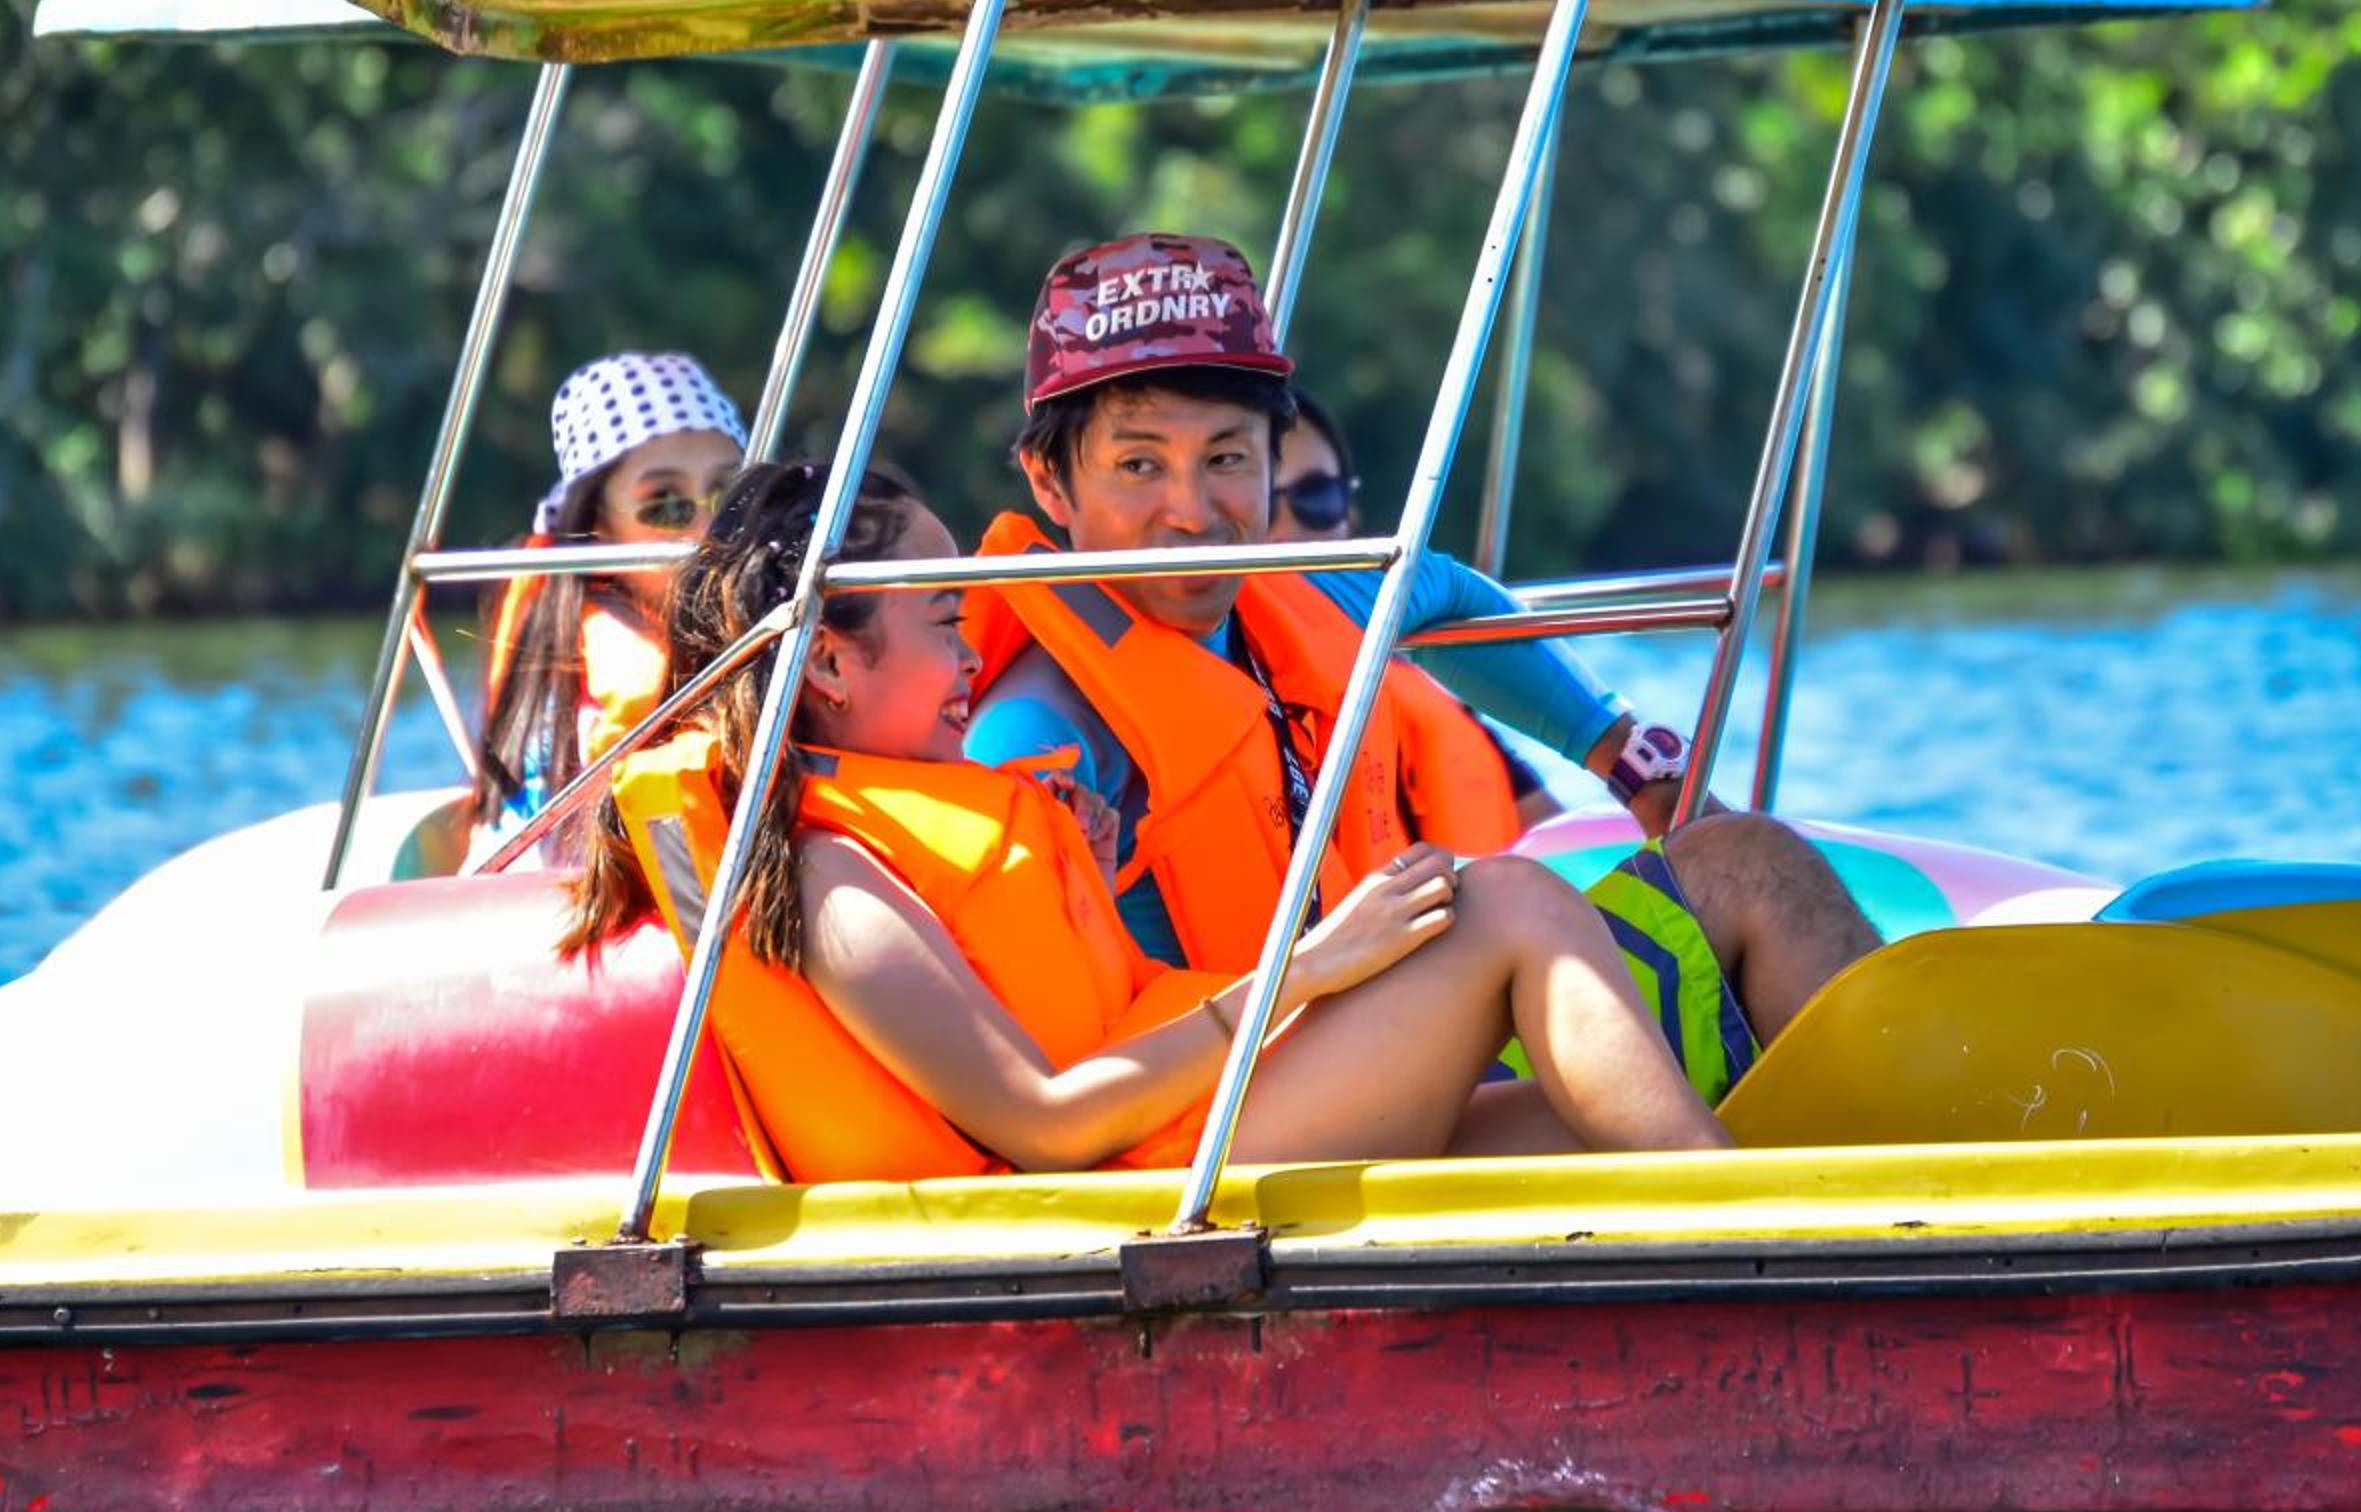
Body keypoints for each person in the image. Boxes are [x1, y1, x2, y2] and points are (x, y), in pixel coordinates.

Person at [562, 461, 1731, 1181]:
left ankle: (1740, 1228)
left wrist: (1086, 876)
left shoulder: (917, 824)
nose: (971, 656)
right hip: (1134, 1173)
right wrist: (1309, 967)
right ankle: (1747, 1251)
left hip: (1189, 1123)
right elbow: (1046, 1125)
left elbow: (1080, 1003)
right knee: (1509, 903)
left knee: (1579, 1120)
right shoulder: (836, 886)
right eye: (947, 621)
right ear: (825, 660)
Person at [961, 233, 1879, 1103]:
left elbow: (1441, 591)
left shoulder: (1300, 602)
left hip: (1402, 1040)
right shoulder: (1035, 730)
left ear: (1274, 459)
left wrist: (1629, 763)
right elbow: (1053, 1055)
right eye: (1138, 466)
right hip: (1258, 1116)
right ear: (1049, 483)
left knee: (1750, 864)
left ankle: (1902, 1162)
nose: (1193, 512)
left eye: (1227, 458)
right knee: (1521, 904)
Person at [469, 352, 747, 853]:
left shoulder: (791, 634)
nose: (708, 531)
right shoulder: (570, 710)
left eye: (729, 497)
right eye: (666, 505)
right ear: (599, 530)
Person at [1272, 385, 1562, 833]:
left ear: (1349, 515)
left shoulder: (1426, 693)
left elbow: (1567, 840)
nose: (1287, 528)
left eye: (1317, 498)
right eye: (1263, 502)